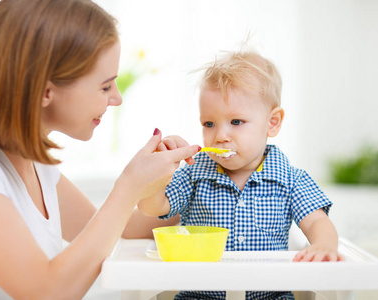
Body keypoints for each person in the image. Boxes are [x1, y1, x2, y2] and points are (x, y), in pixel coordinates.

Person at [0, 0, 199, 298]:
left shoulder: (31, 161)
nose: (116, 98)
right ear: (45, 91)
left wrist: (185, 186)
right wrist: (128, 186)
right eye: (104, 86)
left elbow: (123, 230)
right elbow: (46, 291)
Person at [138, 49, 345, 300]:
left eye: (236, 122)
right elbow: (152, 207)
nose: (220, 135)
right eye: (209, 124)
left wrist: (323, 245)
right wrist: (160, 171)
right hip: (200, 295)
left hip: (271, 296)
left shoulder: (291, 180)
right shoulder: (193, 174)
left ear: (273, 122)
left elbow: (317, 222)